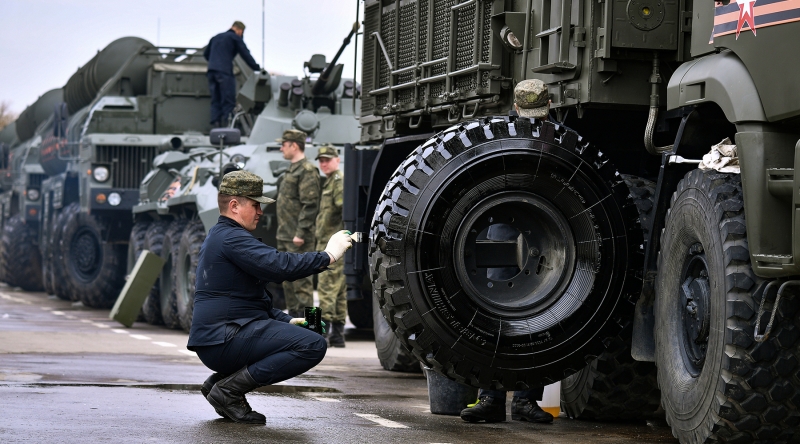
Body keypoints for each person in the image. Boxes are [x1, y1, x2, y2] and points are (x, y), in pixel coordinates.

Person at [187, 170, 353, 424]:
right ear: (234, 205)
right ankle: (229, 390)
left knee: (305, 336)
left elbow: (252, 301)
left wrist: (288, 322)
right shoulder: (231, 238)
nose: (260, 212)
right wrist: (328, 255)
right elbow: (279, 266)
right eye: (255, 205)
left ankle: (219, 384)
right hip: (223, 339)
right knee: (312, 345)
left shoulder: (223, 236)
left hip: (220, 337)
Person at [460, 78, 554, 425]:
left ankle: (526, 401)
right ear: (515, 107)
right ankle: (491, 398)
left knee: (543, 315)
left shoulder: (557, 137)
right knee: (494, 313)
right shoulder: (495, 134)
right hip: (502, 228)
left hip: (543, 231)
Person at [275, 129, 321, 319]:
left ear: (294, 145)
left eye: (284, 145)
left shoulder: (307, 171)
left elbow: (310, 205)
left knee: (302, 284)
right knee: (288, 282)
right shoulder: (290, 170)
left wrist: (300, 233)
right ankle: (295, 326)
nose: (281, 149)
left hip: (298, 237)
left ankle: (313, 327)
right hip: (285, 235)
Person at [314, 146, 347, 347]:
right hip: (332, 244)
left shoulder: (338, 182)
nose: (323, 164)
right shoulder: (330, 181)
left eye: (327, 160)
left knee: (325, 288)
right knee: (338, 290)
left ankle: (320, 333)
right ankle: (338, 335)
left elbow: (343, 207)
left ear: (337, 160)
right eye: (321, 160)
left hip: (332, 246)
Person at [203, 21, 261, 127]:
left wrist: (214, 62)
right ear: (240, 30)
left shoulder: (216, 37)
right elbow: (245, 54)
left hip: (212, 71)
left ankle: (216, 123)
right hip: (224, 72)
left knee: (215, 99)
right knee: (228, 99)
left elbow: (206, 54)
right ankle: (228, 125)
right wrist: (257, 68)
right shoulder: (234, 38)